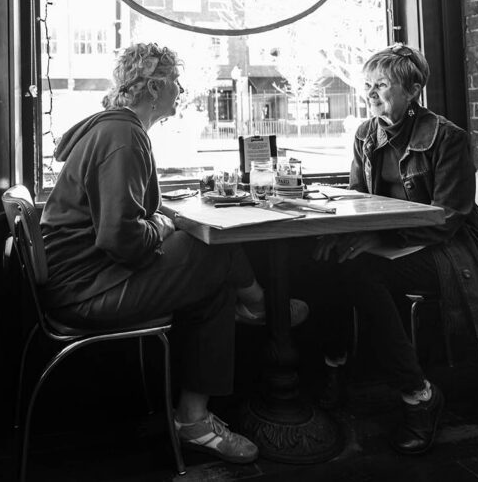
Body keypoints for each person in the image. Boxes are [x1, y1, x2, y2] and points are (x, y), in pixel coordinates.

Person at [40, 42, 304, 464]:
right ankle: (262, 308)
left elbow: (121, 219)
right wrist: (164, 223)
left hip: (87, 279)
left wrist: (162, 218)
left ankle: (194, 419)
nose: (180, 90)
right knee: (212, 246)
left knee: (213, 280)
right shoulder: (123, 136)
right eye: (175, 82)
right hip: (88, 291)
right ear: (153, 87)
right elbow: (118, 238)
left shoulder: (115, 129)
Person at [305, 43, 478, 455]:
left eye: (382, 86)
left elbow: (447, 215)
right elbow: (357, 196)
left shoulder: (447, 136)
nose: (371, 94)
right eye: (367, 85)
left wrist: (376, 239)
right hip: (395, 244)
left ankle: (419, 395)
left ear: (412, 90)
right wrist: (341, 232)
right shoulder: (365, 133)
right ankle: (335, 367)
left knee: (360, 272)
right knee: (328, 261)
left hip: (451, 252)